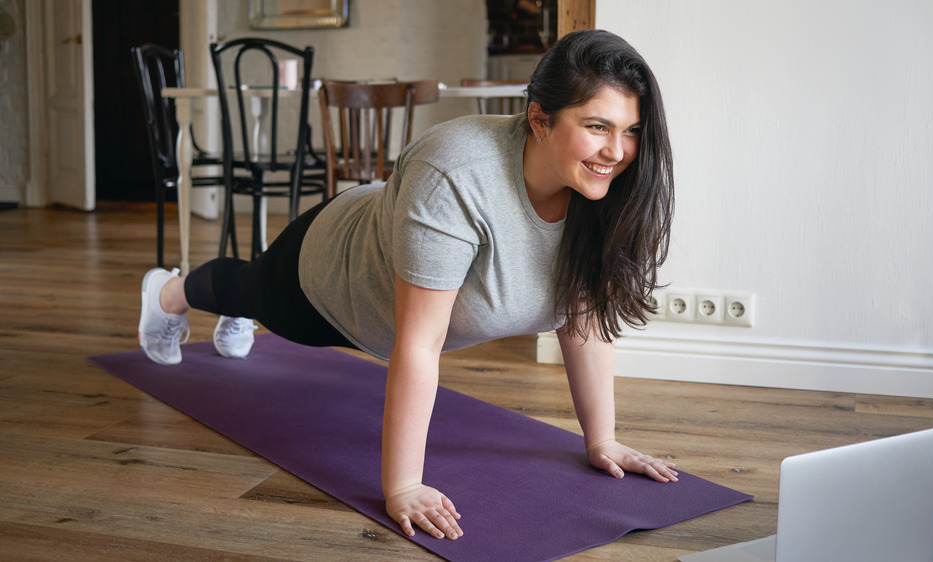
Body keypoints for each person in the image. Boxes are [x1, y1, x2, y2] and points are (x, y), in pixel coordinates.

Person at [137, 29, 676, 541]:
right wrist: (403, 486)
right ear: (539, 118)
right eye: (598, 127)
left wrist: (601, 439)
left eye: (630, 131)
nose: (617, 151)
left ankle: (222, 305)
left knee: (244, 292)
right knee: (244, 287)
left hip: (396, 227)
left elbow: (583, 320)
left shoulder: (603, 191)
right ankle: (169, 293)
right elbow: (419, 344)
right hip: (331, 275)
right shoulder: (459, 174)